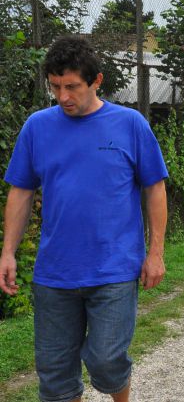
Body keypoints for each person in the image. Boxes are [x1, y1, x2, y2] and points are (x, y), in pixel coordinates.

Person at [0, 36, 168, 402]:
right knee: (55, 373)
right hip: (55, 272)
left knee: (107, 360)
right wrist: (7, 252)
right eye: (56, 86)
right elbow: (21, 191)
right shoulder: (37, 127)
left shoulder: (129, 124)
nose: (63, 97)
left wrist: (155, 252)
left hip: (115, 269)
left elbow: (154, 187)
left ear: (96, 81)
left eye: (72, 87)